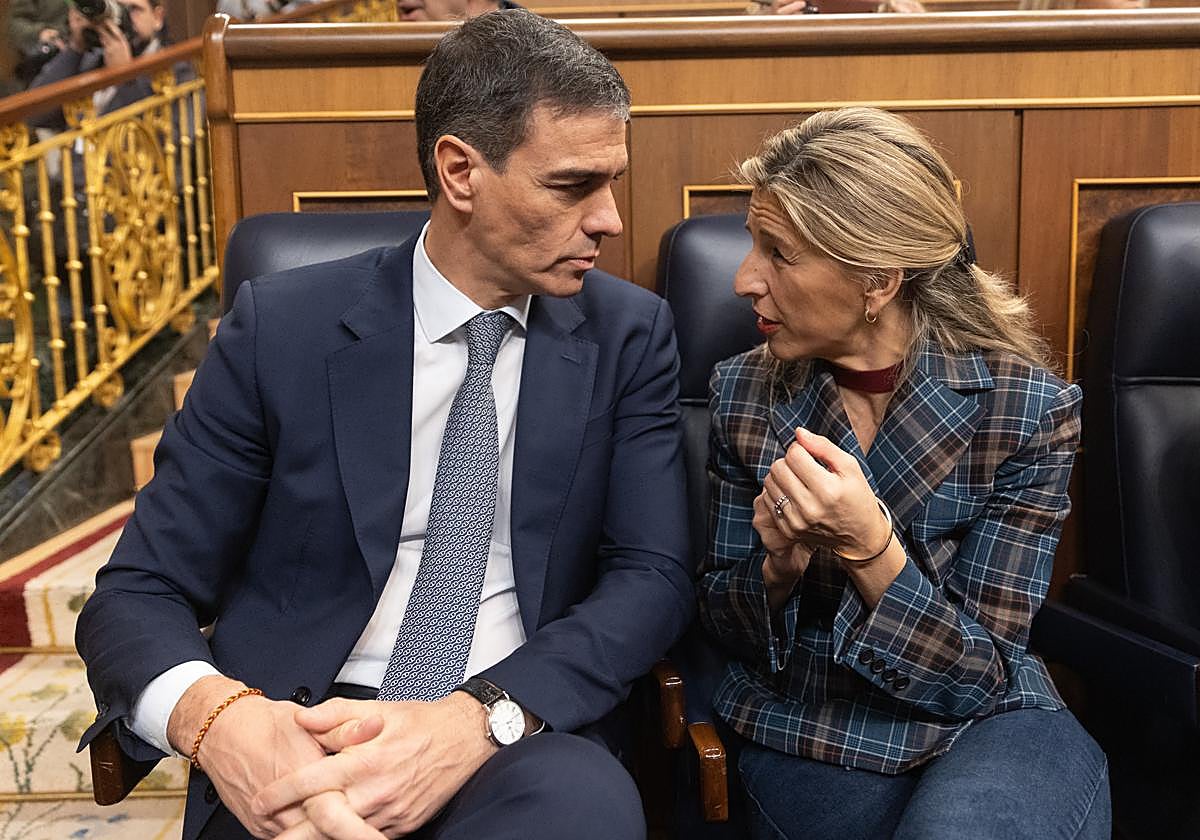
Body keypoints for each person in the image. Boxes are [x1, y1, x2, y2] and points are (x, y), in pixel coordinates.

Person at [75, 10, 693, 840]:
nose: (611, 219)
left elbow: (650, 578)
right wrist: (224, 723)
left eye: (612, 181)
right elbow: (139, 588)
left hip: (515, 735)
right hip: (298, 730)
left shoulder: (629, 335)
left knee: (581, 810)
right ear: (460, 171)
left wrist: (478, 716)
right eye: (573, 185)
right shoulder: (283, 328)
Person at [697, 107, 1110, 839]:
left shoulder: (1028, 409)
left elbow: (981, 675)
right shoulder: (744, 393)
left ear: (878, 279)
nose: (743, 280)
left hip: (993, 720)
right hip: (816, 723)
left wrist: (868, 548)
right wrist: (778, 567)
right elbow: (725, 634)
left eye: (778, 254)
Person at [26, 0, 184, 131]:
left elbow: (170, 141)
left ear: (157, 17)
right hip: (78, 167)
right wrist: (76, 48)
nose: (125, 18)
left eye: (134, 9)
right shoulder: (90, 61)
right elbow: (35, 116)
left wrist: (124, 78)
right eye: (117, 8)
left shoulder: (177, 71)